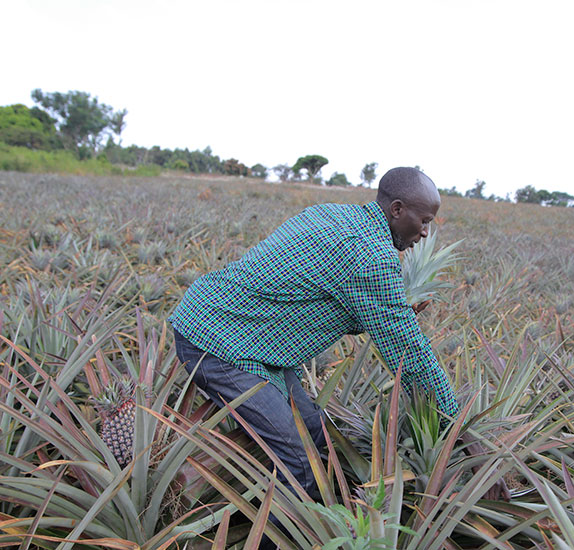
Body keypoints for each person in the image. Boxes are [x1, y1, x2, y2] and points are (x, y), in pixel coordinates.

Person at [169, 167, 508, 541]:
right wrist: (461, 430)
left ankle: (314, 529)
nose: (425, 232)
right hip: (218, 342)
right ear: (397, 210)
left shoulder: (333, 214)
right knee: (299, 463)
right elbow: (410, 353)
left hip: (250, 339)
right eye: (424, 220)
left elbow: (312, 293)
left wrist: (386, 310)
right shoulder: (372, 257)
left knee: (316, 435)